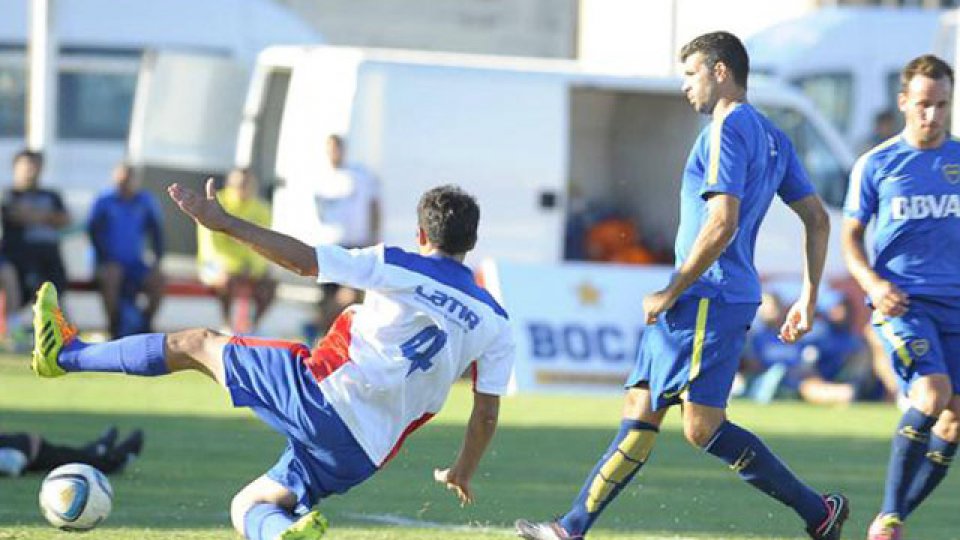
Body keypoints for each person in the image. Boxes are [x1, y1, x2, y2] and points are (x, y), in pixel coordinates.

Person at [30, 181, 513, 540]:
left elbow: (305, 262)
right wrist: (462, 470)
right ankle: (280, 533)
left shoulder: (398, 263)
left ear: (421, 233)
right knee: (250, 505)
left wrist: (226, 224)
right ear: (471, 242)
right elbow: (485, 412)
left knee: (198, 343)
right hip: (363, 452)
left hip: (322, 397)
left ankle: (66, 354)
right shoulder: (496, 321)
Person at [516, 31, 847, 540]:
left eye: (691, 74)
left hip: (707, 296)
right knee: (641, 409)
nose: (685, 86)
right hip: (710, 296)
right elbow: (818, 219)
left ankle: (817, 511)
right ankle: (570, 528)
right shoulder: (773, 135)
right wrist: (807, 296)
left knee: (702, 426)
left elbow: (722, 222)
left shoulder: (725, 129)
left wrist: (671, 290)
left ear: (720, 71)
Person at [841, 54, 960, 540]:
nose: (933, 115)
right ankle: (890, 517)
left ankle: (892, 519)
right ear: (904, 102)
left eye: (942, 105)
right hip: (903, 304)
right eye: (924, 104)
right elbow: (850, 238)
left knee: (953, 422)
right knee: (932, 394)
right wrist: (873, 285)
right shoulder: (877, 163)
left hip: (956, 305)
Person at [309, 134, 380, 339]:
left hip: (353, 245)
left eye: (337, 148)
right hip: (328, 246)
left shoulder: (358, 176)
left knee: (350, 294)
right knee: (328, 296)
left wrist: (373, 236)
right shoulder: (319, 177)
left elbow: (374, 205)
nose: (334, 153)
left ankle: (321, 329)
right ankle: (324, 337)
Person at [87, 163, 165, 337]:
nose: (123, 184)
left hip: (135, 262)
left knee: (158, 280)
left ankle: (146, 324)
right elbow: (93, 232)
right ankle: (114, 326)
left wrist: (157, 261)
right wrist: (106, 260)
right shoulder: (104, 201)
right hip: (107, 262)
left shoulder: (145, 201)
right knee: (112, 276)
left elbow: (156, 232)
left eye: (127, 180)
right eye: (120, 180)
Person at [197, 169, 276, 333]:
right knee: (226, 280)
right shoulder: (215, 204)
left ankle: (253, 327)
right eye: (239, 184)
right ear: (229, 184)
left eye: (247, 184)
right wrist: (234, 266)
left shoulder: (262, 209)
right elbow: (210, 247)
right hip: (212, 265)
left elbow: (263, 243)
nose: (243, 188)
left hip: (247, 267)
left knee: (269, 285)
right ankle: (227, 325)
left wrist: (253, 267)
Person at [0, 149, 70, 308]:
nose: (31, 170)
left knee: (55, 293)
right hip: (21, 256)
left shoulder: (52, 195)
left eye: (35, 166)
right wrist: (47, 217)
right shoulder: (8, 195)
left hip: (50, 255)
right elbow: (16, 215)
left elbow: (65, 219)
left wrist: (33, 215)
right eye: (27, 166)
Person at [0, 426, 144, 477]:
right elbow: (13, 465)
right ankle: (122, 457)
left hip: (33, 449)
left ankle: (98, 448)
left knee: (74, 454)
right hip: (35, 456)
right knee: (79, 463)